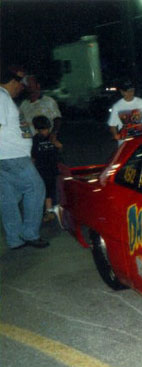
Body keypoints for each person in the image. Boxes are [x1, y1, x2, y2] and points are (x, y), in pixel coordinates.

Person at [0, 66, 49, 249]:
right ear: (12, 82)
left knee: (9, 197)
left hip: (6, 156)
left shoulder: (4, 98)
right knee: (35, 188)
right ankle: (30, 233)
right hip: (13, 155)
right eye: (20, 84)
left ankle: (15, 238)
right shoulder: (1, 97)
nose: (21, 88)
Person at [31, 115, 63, 221]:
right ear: (37, 130)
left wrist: (57, 144)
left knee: (54, 189)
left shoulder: (52, 137)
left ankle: (55, 210)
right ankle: (49, 211)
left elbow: (61, 148)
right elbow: (33, 155)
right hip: (42, 168)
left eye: (46, 129)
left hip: (53, 167)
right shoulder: (35, 139)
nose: (45, 132)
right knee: (46, 190)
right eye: (42, 130)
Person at [107, 79, 142, 146]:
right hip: (125, 142)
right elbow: (112, 125)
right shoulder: (117, 106)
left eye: (132, 91)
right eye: (127, 91)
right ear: (122, 92)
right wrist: (115, 135)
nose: (130, 93)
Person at [19, 74, 62, 145]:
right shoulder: (24, 104)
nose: (28, 87)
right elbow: (21, 123)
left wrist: (54, 133)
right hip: (30, 141)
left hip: (46, 140)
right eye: (27, 85)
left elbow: (57, 119)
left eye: (30, 84)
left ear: (38, 86)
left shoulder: (48, 101)